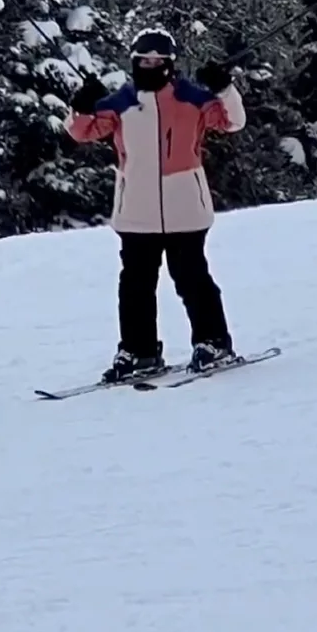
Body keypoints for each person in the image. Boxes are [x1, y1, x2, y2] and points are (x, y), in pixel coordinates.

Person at [67, 26, 246, 382]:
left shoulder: (193, 98)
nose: (151, 66)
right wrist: (82, 104)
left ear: (170, 63)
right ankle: (138, 352)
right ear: (134, 63)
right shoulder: (119, 103)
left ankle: (213, 343)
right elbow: (81, 131)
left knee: (192, 278)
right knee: (134, 286)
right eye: (143, 60)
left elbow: (233, 122)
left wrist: (225, 88)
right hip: (136, 212)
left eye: (158, 60)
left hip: (185, 209)